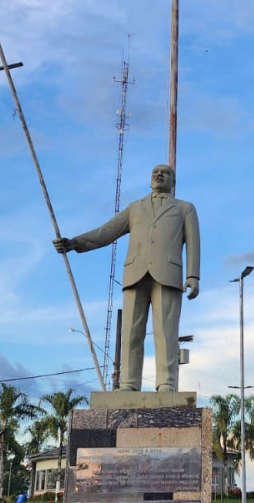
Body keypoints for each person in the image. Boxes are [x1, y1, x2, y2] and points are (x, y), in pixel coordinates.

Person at [54, 164, 200, 392]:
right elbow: (107, 231)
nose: (158, 175)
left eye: (165, 173)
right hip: (134, 274)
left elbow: (193, 243)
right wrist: (74, 243)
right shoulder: (135, 208)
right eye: (154, 172)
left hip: (168, 274)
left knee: (166, 333)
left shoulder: (185, 208)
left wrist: (193, 275)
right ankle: (129, 383)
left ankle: (166, 383)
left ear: (173, 182)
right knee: (131, 333)